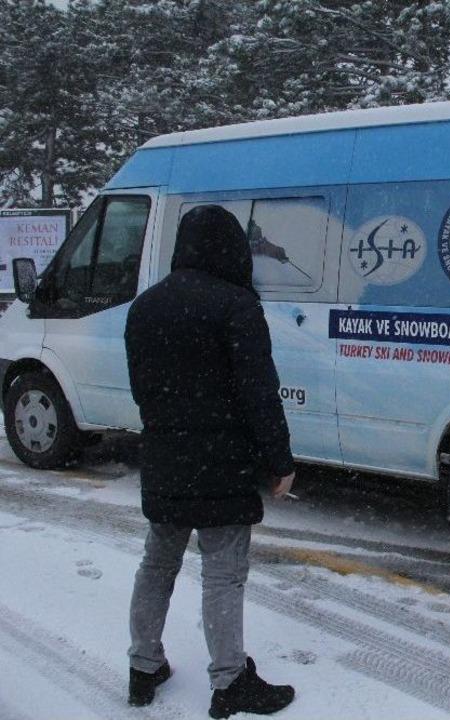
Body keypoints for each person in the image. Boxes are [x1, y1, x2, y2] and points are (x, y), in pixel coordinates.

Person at [124, 205, 297, 718]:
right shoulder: (236, 305)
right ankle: (230, 681)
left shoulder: (146, 306)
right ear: (230, 248)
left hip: (166, 456)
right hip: (222, 463)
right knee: (223, 573)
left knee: (157, 563)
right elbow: (259, 392)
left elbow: (142, 390)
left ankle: (143, 665)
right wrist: (278, 460)